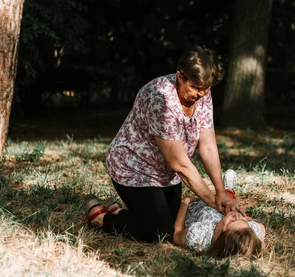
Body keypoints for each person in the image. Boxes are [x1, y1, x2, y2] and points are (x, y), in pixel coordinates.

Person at [85, 45, 244, 243]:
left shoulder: (203, 93)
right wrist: (213, 201)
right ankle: (102, 218)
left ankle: (125, 212)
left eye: (206, 89)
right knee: (160, 233)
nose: (200, 94)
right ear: (180, 76)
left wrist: (220, 192)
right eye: (195, 88)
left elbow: (208, 147)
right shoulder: (159, 98)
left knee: (177, 220)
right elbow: (180, 164)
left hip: (166, 174)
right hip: (134, 168)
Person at [173, 170, 266, 258]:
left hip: (199, 204)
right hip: (223, 207)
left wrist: (185, 202)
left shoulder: (199, 237)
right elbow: (262, 228)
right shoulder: (249, 232)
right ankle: (229, 191)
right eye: (243, 221)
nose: (236, 216)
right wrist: (246, 220)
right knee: (229, 204)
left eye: (232, 221)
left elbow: (177, 234)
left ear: (221, 234)